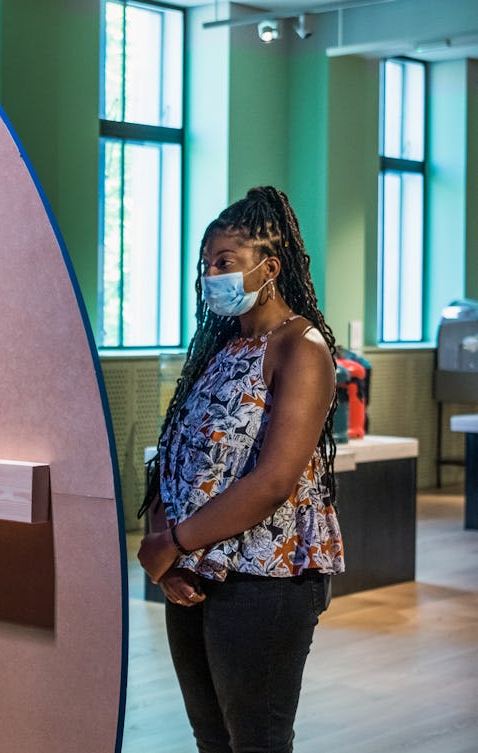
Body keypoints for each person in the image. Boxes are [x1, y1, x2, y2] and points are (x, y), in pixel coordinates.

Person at [136, 186, 344, 753]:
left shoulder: (300, 348)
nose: (212, 276)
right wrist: (167, 547)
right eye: (206, 265)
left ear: (268, 268)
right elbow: (177, 453)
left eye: (225, 263)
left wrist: (171, 541)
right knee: (212, 738)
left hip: (263, 579)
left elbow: (274, 481)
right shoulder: (224, 348)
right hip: (193, 570)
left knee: (257, 740)